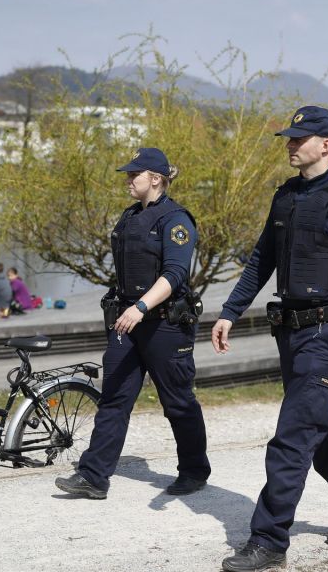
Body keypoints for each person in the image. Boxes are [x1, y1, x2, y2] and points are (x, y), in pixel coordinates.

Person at [211, 105, 328, 572]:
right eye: (289, 138)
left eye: (299, 138)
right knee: (315, 427)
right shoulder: (286, 197)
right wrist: (230, 312)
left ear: (326, 144)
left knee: (291, 437)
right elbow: (259, 262)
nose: (290, 144)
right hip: (290, 334)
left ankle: (269, 541)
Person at [55, 147, 211, 500]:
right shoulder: (129, 218)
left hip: (164, 325)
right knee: (114, 398)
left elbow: (174, 274)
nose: (127, 180)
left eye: (133, 175)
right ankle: (93, 477)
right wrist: (128, 307)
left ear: (155, 179)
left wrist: (141, 306)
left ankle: (194, 470)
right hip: (127, 322)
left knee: (178, 402)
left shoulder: (176, 220)